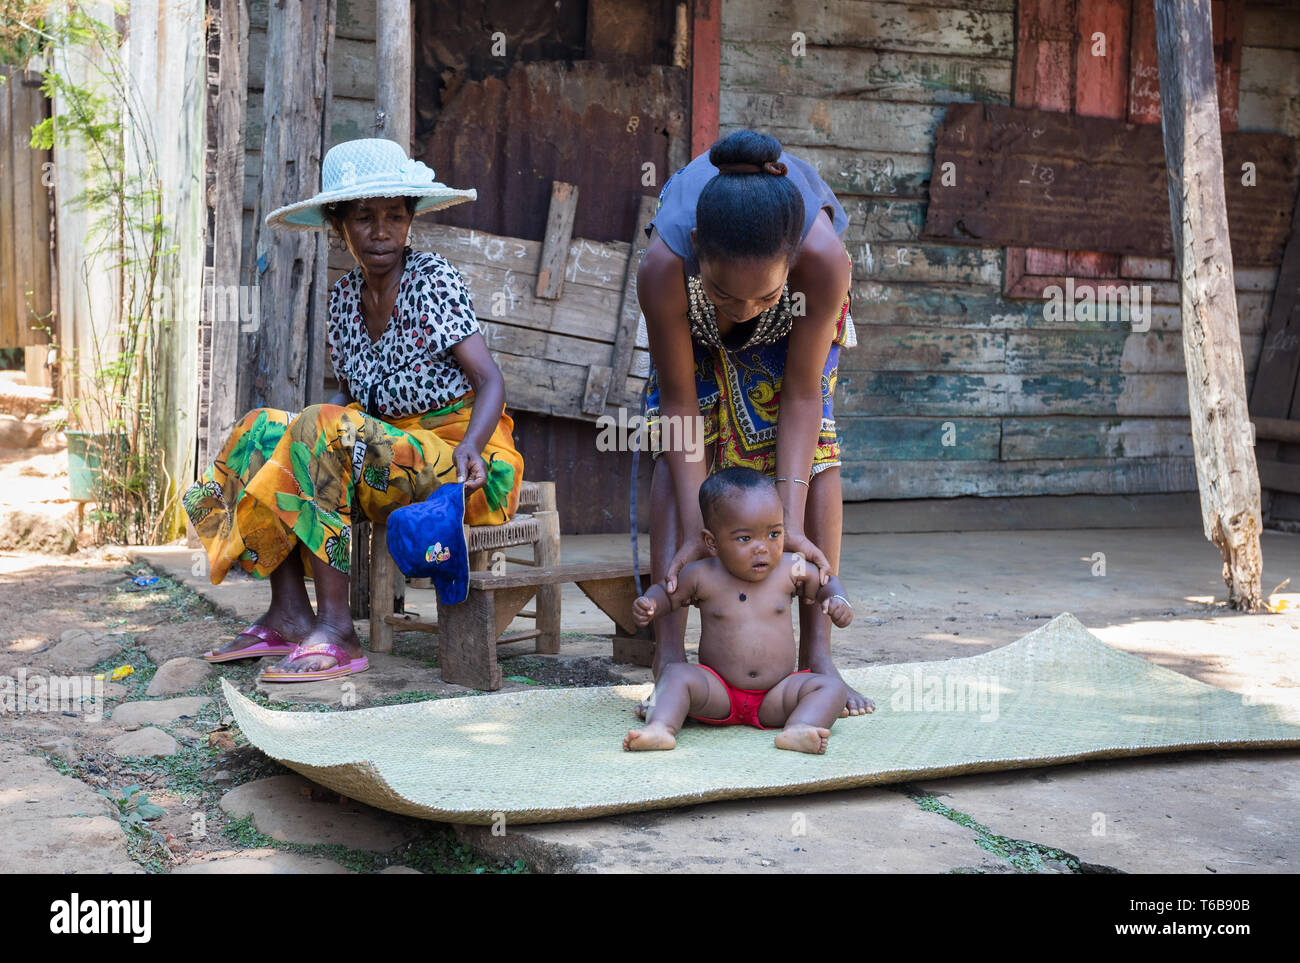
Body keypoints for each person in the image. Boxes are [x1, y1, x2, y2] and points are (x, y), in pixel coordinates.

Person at [184, 138, 523, 682]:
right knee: (259, 430)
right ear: (339, 226)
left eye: (394, 216)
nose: (381, 231)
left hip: (462, 464)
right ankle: (291, 613)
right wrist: (296, 435)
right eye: (364, 217)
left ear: (411, 220)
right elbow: (349, 398)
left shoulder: (432, 280)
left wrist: (471, 446)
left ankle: (338, 628)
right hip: (381, 457)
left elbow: (490, 381)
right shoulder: (344, 299)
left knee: (317, 427)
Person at [636, 129, 872, 715]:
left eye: (758, 299)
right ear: (696, 247)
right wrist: (700, 530)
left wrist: (786, 529)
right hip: (690, 330)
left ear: (791, 260)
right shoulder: (664, 266)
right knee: (679, 455)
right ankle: (669, 659)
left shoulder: (823, 263)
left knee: (818, 453)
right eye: (723, 293)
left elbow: (799, 397)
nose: (740, 313)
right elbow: (680, 407)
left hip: (796, 325)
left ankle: (818, 657)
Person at [625, 468, 852, 754]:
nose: (763, 549)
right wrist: (650, 603)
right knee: (675, 675)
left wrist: (838, 601)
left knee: (832, 688)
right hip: (718, 692)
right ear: (711, 542)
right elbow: (667, 593)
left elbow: (826, 582)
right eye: (745, 539)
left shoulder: (790, 568)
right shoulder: (701, 574)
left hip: (777, 694)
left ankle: (800, 727)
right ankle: (660, 728)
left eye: (774, 534)